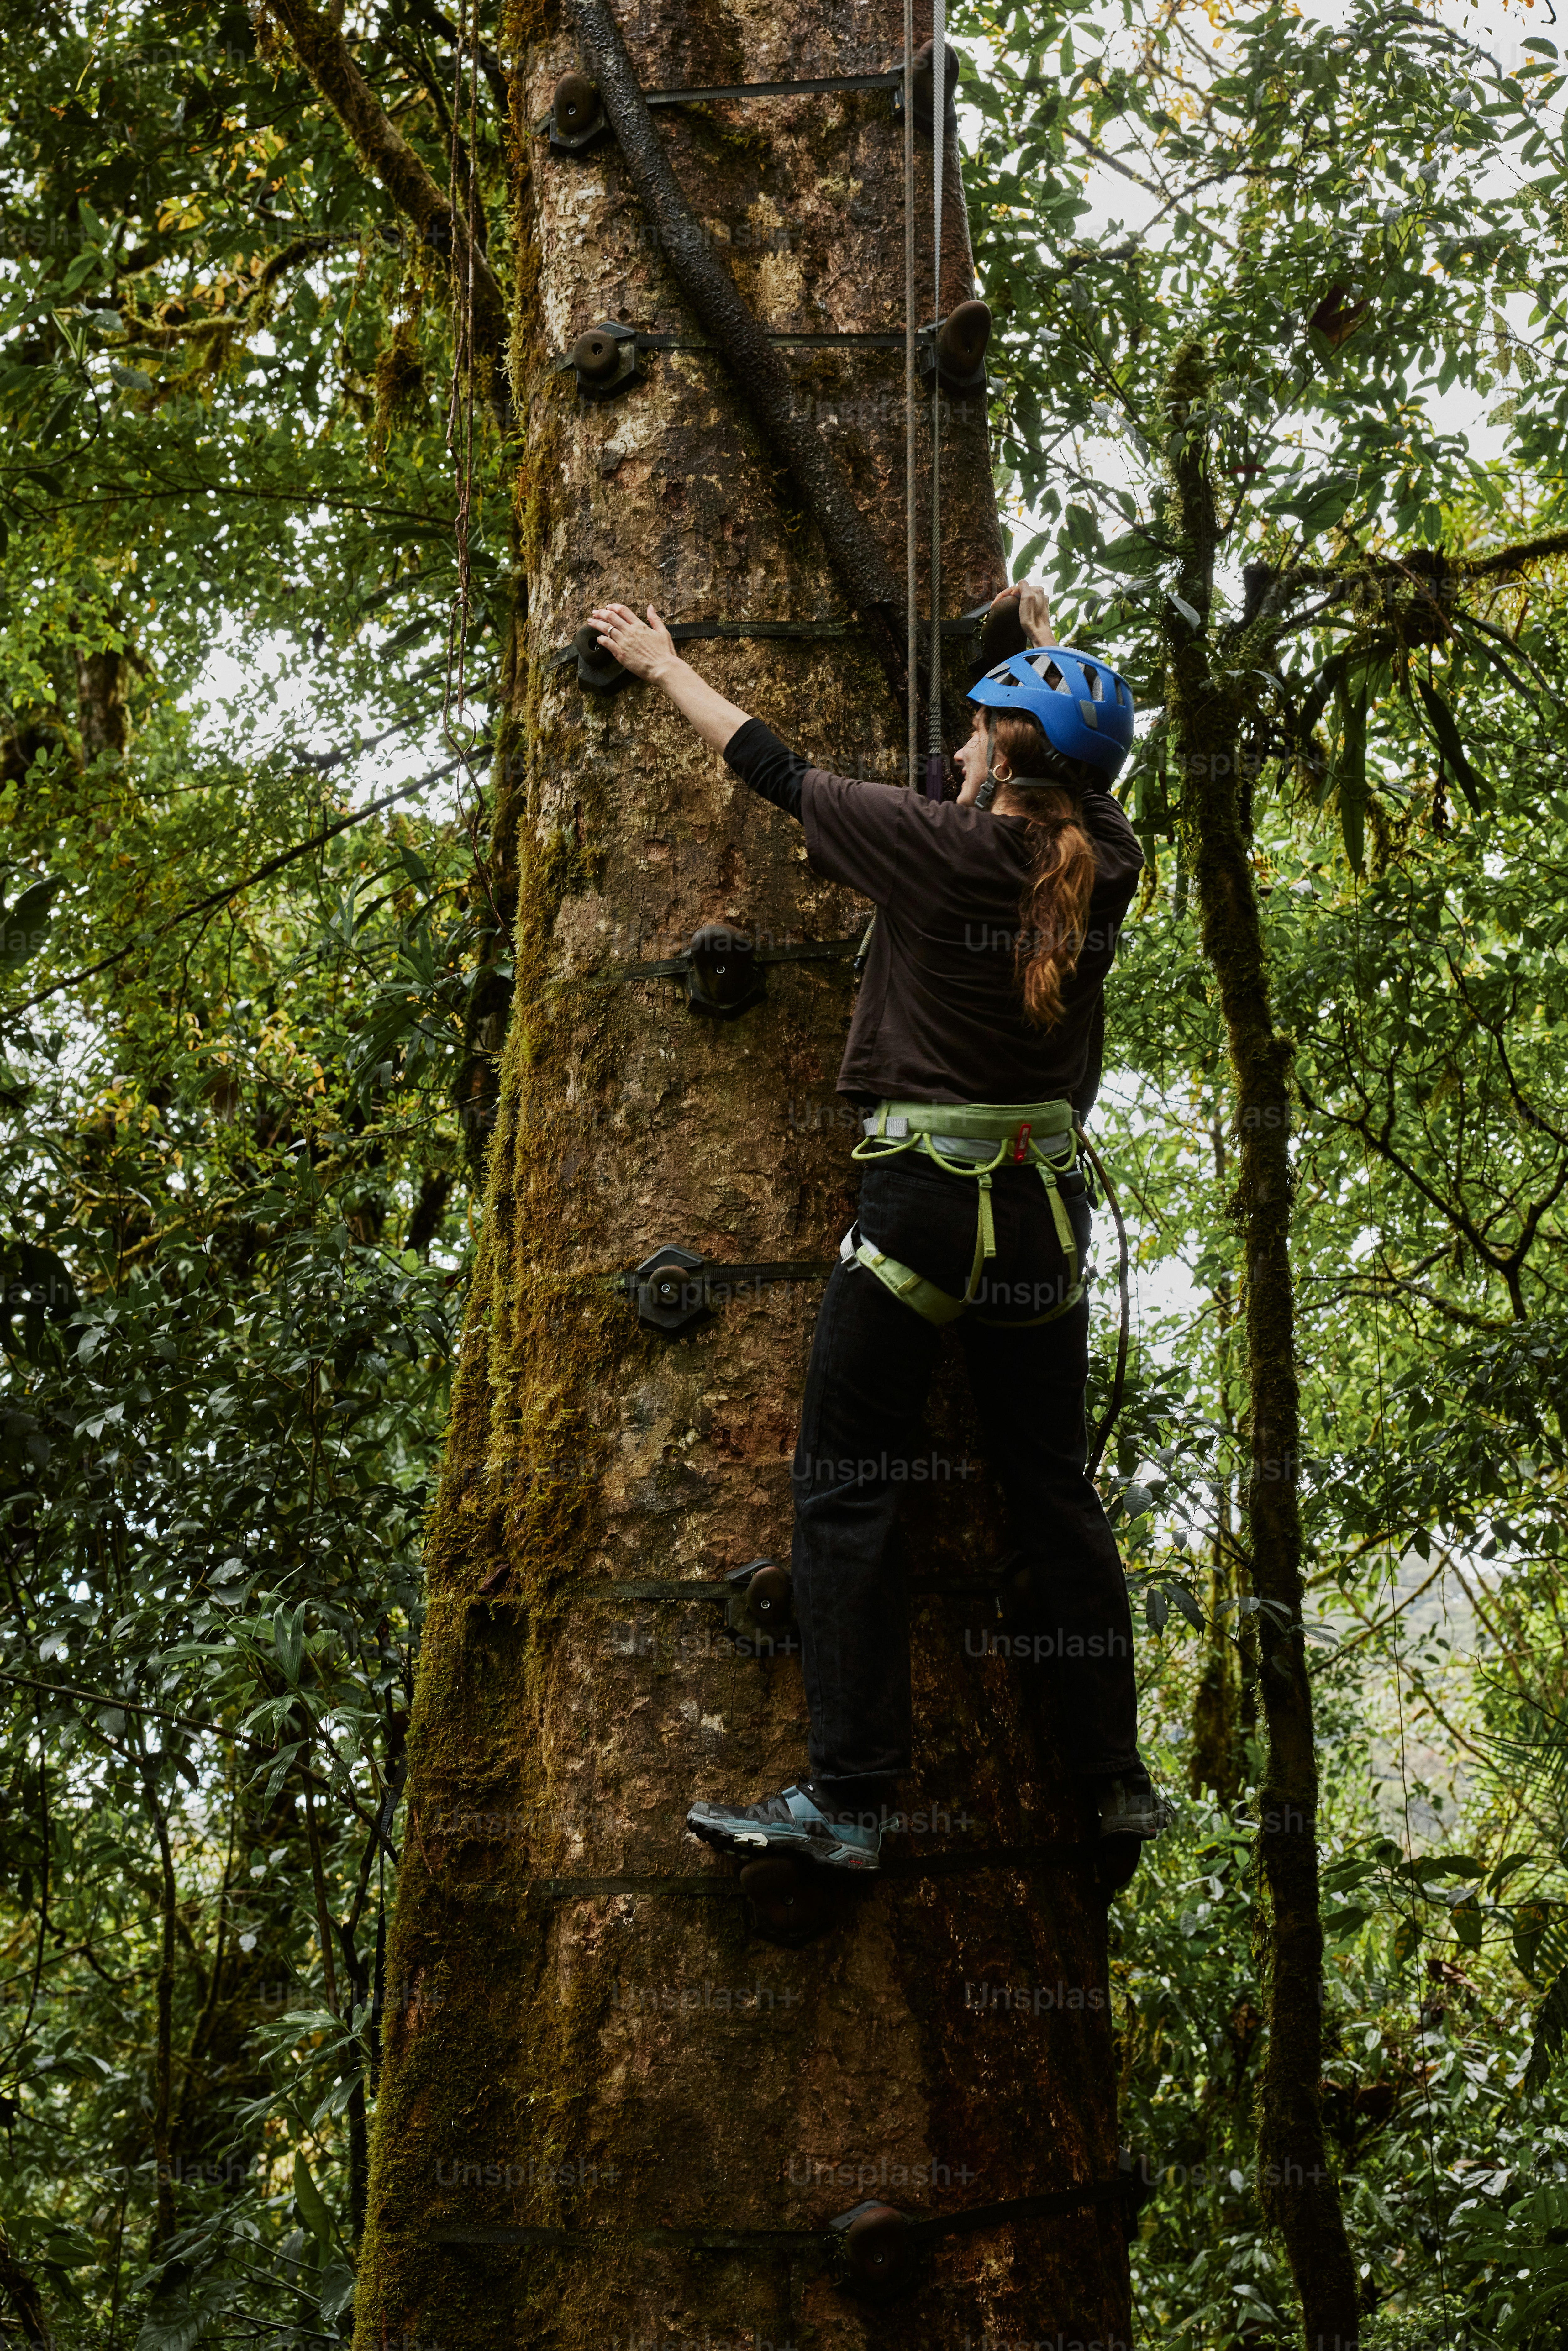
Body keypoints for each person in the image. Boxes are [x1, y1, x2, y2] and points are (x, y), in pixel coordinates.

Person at [587, 586, 1170, 1872]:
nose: (954, 747)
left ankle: (851, 1803)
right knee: (1051, 1493)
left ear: (1004, 759)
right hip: (1041, 1228)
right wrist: (1016, 662)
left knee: (849, 1487)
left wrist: (662, 663)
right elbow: (1050, 775)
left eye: (975, 731)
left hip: (921, 1214)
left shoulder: (934, 846)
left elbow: (773, 768)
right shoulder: (1111, 862)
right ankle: (1113, 1777)